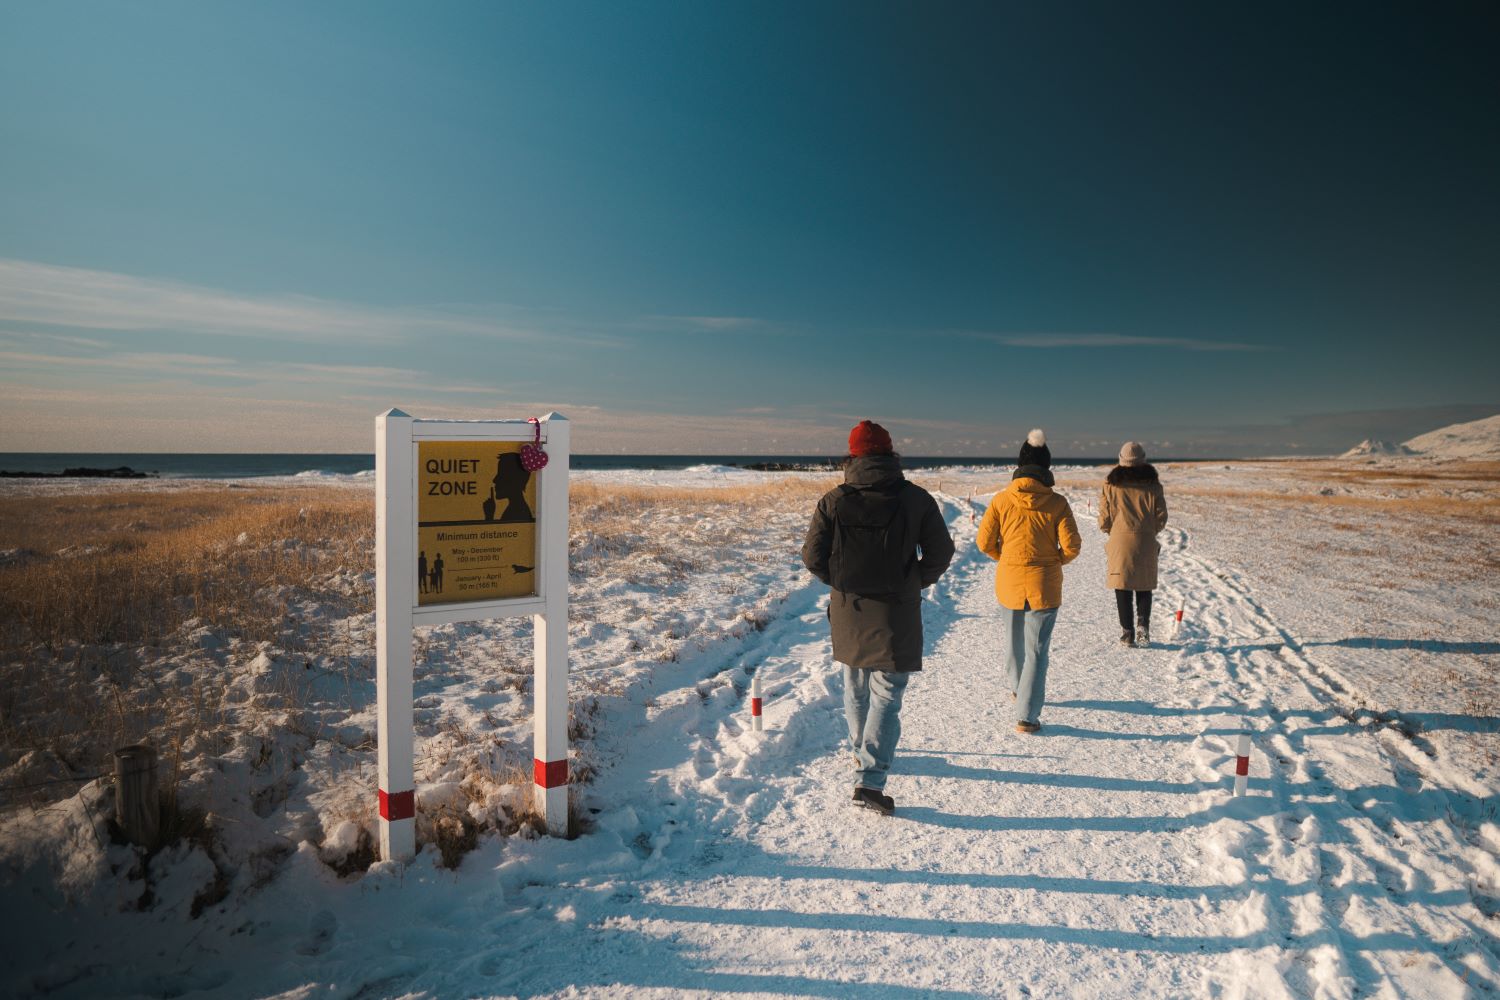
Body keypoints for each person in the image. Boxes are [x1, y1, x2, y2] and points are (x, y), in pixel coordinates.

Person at [801, 420, 955, 815]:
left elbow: (812, 558)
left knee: (855, 686)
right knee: (886, 693)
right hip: (895, 613)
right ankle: (869, 780)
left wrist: (841, 583)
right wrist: (911, 580)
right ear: (890, 455)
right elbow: (940, 552)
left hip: (849, 609)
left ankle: (862, 754)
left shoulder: (834, 500)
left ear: (852, 457)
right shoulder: (916, 499)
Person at [976, 429, 1081, 734]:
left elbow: (984, 543)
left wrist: (1006, 558)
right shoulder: (1058, 502)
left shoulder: (1000, 499)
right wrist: (1052, 562)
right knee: (1036, 650)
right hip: (1044, 586)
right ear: (1046, 468)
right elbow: (1072, 546)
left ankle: (1016, 688)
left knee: (1012, 643)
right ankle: (1027, 715)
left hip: (1009, 581)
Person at [1098, 441, 1168, 647]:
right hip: (1146, 539)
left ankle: (1127, 633)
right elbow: (1161, 517)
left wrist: (1111, 530)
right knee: (1144, 585)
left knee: (1122, 585)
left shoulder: (1110, 485)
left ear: (1121, 460)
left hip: (1119, 540)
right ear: (1143, 460)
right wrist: (1149, 530)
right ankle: (1143, 627)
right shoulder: (1154, 486)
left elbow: (1104, 518)